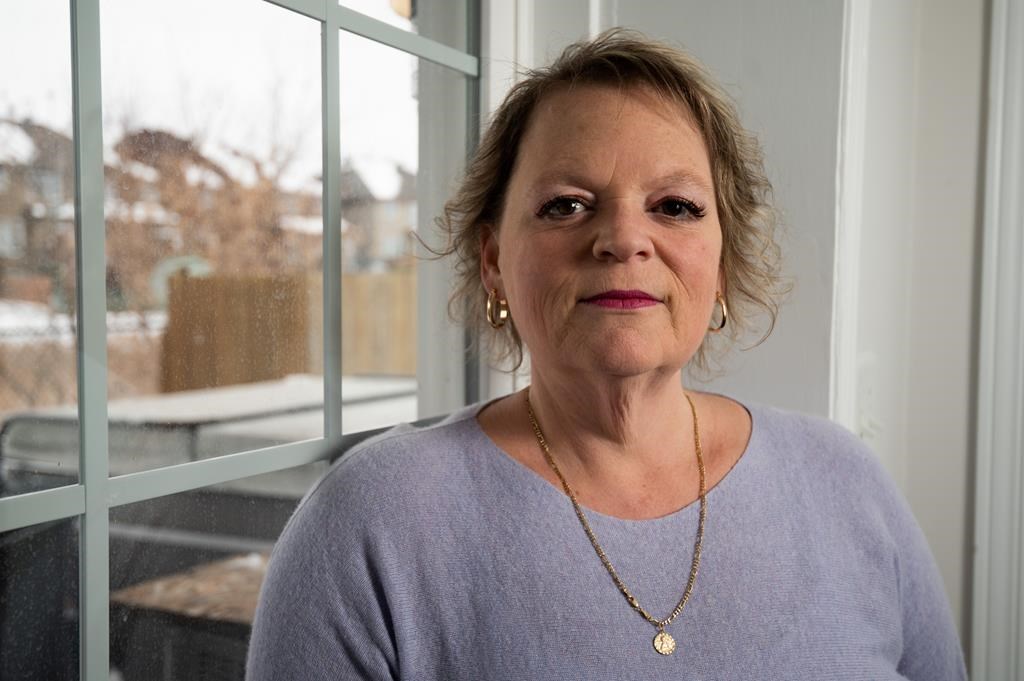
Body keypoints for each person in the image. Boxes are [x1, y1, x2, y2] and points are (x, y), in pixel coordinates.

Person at [246, 29, 966, 680]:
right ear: (493, 261)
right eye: (566, 204)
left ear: (721, 260)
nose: (624, 238)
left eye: (675, 206)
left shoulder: (848, 483)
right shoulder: (371, 523)